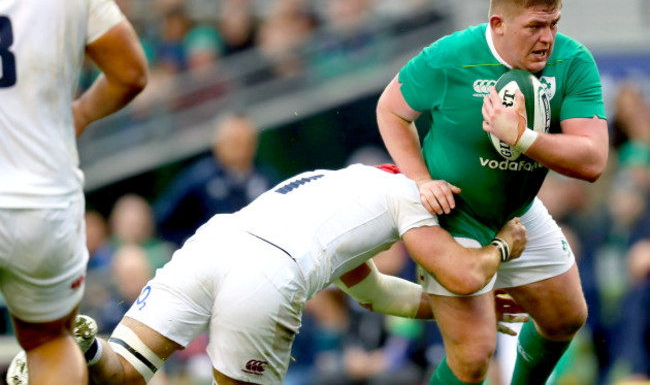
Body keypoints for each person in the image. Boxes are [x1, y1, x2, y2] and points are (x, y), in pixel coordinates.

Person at [8, 163, 527, 385]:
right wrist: (504, 247)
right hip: (268, 270)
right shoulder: (413, 194)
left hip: (215, 242)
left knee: (122, 370)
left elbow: (374, 293)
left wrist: (442, 308)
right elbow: (461, 274)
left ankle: (87, 349)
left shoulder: (337, 184)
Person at [376, 0, 608, 385]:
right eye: (535, 26)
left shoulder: (572, 61)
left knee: (566, 318)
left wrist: (523, 138)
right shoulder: (449, 56)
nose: (547, 38)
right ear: (497, 25)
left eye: (554, 24)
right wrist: (421, 180)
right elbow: (391, 110)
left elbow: (592, 160)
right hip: (453, 211)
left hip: (516, 210)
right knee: (473, 358)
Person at [0, 0, 148, 384]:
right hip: (41, 200)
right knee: (49, 342)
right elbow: (131, 74)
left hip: (41, 197)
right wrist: (81, 113)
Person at [154, 112, 277, 245]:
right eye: (234, 142)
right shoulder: (199, 178)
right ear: (218, 143)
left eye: (247, 141)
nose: (242, 148)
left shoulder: (264, 177)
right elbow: (164, 219)